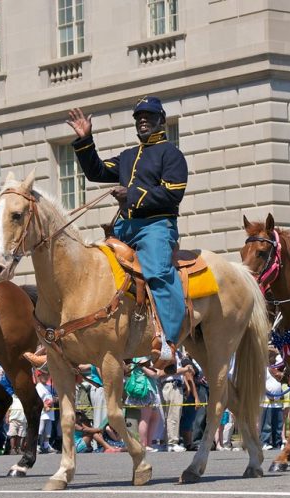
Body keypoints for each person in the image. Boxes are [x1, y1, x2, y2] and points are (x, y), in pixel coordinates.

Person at [67, 96, 188, 362]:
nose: (142, 120)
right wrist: (85, 140)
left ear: (161, 120)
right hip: (124, 227)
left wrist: (130, 194)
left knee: (157, 272)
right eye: (138, 117)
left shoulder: (171, 154)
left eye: (148, 115)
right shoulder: (128, 157)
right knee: (92, 268)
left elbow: (173, 193)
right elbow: (97, 171)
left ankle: (169, 341)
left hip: (156, 225)